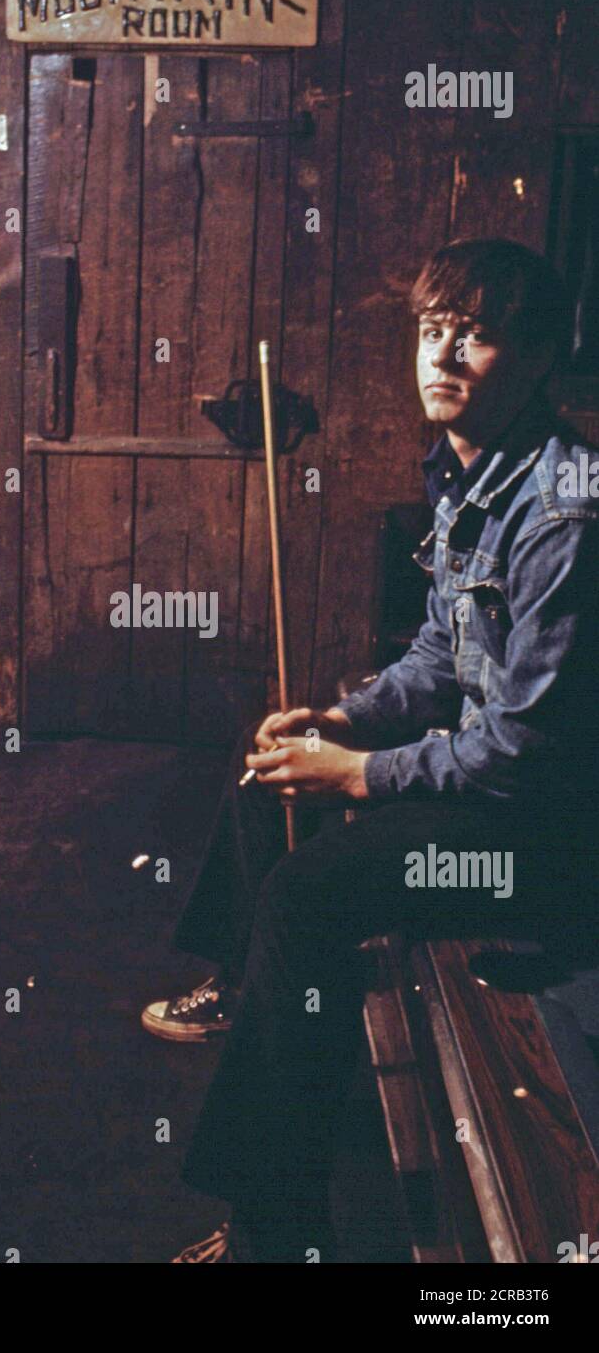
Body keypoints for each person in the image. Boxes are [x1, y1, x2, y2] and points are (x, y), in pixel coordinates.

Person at [142, 238, 599, 1263]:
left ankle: (276, 1232)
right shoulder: (470, 469)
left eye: (475, 335)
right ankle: (252, 998)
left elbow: (520, 751)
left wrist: (358, 774)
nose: (444, 355)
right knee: (272, 778)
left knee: (308, 899)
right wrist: (342, 720)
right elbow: (443, 654)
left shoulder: (567, 515)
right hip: (491, 793)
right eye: (432, 330)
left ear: (535, 359)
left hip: (540, 845)